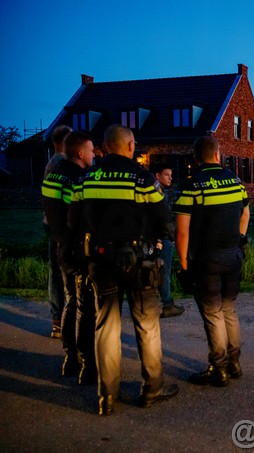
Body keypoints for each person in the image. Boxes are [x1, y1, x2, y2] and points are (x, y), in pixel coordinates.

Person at [76, 124, 178, 415]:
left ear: (104, 147)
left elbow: (74, 219)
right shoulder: (142, 178)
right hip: (138, 260)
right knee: (146, 324)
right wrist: (159, 242)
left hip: (100, 259)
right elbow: (164, 218)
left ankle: (106, 395)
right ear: (131, 146)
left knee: (105, 324)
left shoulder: (86, 178)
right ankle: (152, 389)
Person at [174, 135, 250, 387]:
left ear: (196, 158)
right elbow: (245, 211)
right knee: (229, 309)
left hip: (206, 260)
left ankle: (219, 368)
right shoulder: (235, 181)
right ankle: (235, 362)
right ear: (218, 154)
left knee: (213, 314)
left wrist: (183, 263)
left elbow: (182, 230)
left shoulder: (192, 185)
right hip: (233, 255)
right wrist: (239, 238)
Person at [42, 131, 97, 384]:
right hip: (78, 249)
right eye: (91, 150)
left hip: (59, 246)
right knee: (85, 306)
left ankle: (69, 358)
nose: (94, 154)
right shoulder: (79, 178)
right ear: (79, 153)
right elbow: (80, 216)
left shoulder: (52, 176)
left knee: (69, 301)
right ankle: (86, 364)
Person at [43, 125, 72, 338]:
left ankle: (57, 319)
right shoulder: (62, 164)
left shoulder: (50, 162)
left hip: (49, 222)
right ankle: (61, 319)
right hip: (59, 225)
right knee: (61, 271)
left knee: (55, 268)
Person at [152, 162, 184, 318]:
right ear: (158, 175)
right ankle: (167, 304)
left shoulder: (161, 191)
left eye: (171, 175)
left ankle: (160, 302)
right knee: (164, 271)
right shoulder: (157, 192)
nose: (170, 178)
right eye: (167, 175)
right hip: (162, 237)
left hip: (158, 237)